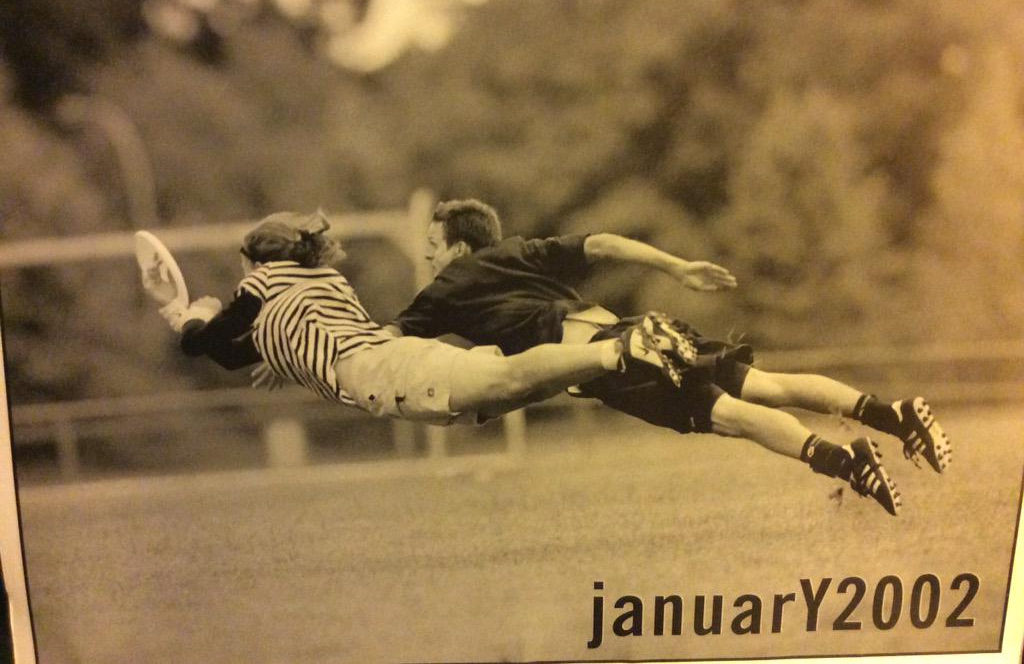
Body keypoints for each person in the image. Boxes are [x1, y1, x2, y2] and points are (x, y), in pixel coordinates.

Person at [380, 198, 953, 516]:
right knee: (766, 387)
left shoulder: (447, 287)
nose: (427, 259)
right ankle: (890, 414)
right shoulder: (514, 254)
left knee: (727, 417)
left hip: (614, 360)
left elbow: (381, 340)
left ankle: (847, 460)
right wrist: (677, 266)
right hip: (634, 329)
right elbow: (602, 243)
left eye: (431, 248)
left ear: (457, 249)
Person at [153, 210, 692, 428]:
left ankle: (621, 349)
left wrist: (190, 318)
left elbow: (212, 344)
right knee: (515, 385)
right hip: (381, 365)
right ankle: (614, 354)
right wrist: (265, 349)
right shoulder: (323, 284)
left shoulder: (265, 278)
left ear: (258, 259)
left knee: (511, 377)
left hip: (376, 372)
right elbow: (237, 350)